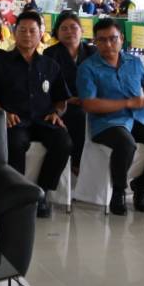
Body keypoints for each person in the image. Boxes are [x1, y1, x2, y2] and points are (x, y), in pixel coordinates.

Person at [77, 18, 144, 215]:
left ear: (122, 39)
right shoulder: (87, 68)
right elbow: (89, 104)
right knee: (126, 143)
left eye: (113, 39)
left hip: (138, 119)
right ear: (95, 42)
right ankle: (118, 192)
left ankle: (142, 184)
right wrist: (128, 103)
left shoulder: (134, 62)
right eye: (102, 40)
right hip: (106, 124)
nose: (108, 44)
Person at [0, 11, 71, 218]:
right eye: (22, 30)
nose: (27, 35)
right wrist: (3, 113)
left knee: (64, 142)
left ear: (41, 34)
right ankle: (17, 195)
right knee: (14, 143)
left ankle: (42, 193)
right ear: (14, 32)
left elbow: (61, 98)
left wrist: (57, 112)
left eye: (32, 31)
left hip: (44, 119)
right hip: (15, 120)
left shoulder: (50, 65)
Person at [42, 13, 95, 175]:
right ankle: (76, 161)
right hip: (61, 101)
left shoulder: (92, 52)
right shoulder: (50, 54)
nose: (69, 32)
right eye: (63, 28)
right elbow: (47, 85)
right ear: (57, 33)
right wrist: (69, 98)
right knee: (78, 115)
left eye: (74, 27)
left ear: (82, 30)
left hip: (90, 100)